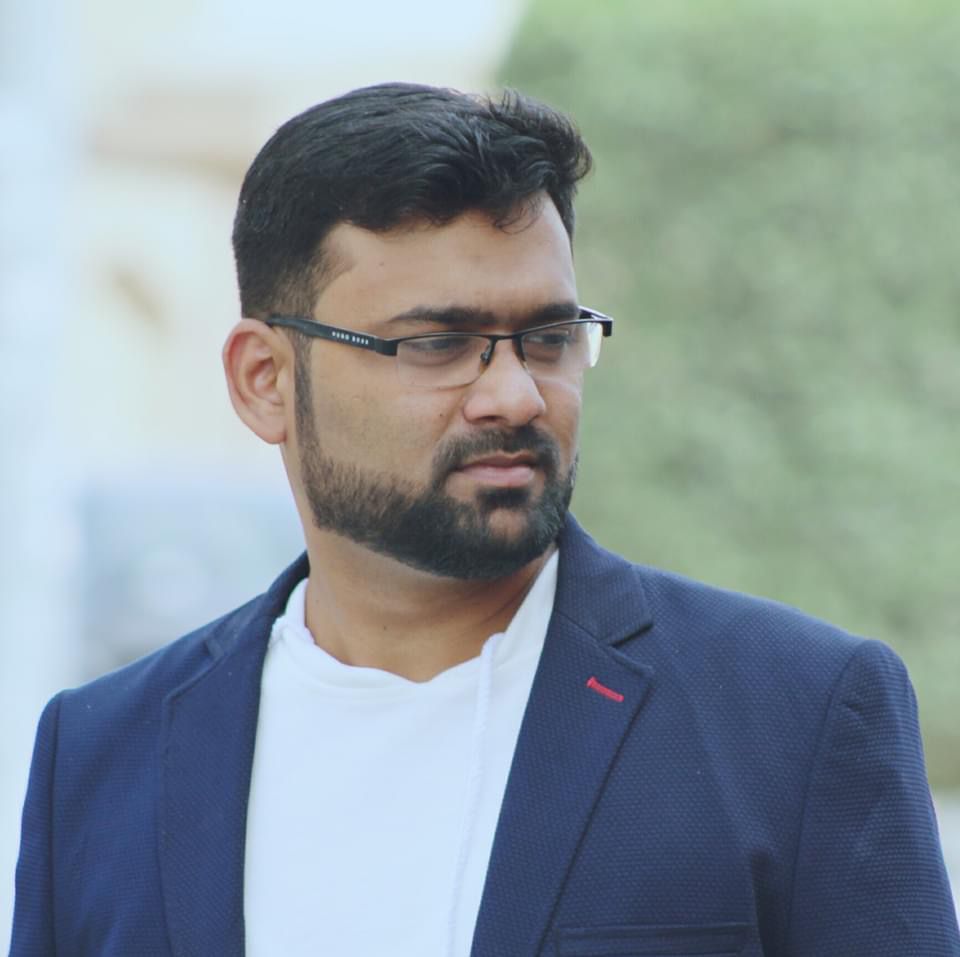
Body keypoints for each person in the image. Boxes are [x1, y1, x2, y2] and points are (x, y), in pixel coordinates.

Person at [10, 82, 959, 957]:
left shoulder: (794, 717)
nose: (516, 394)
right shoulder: (100, 754)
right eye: (439, 342)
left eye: (548, 337)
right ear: (265, 380)